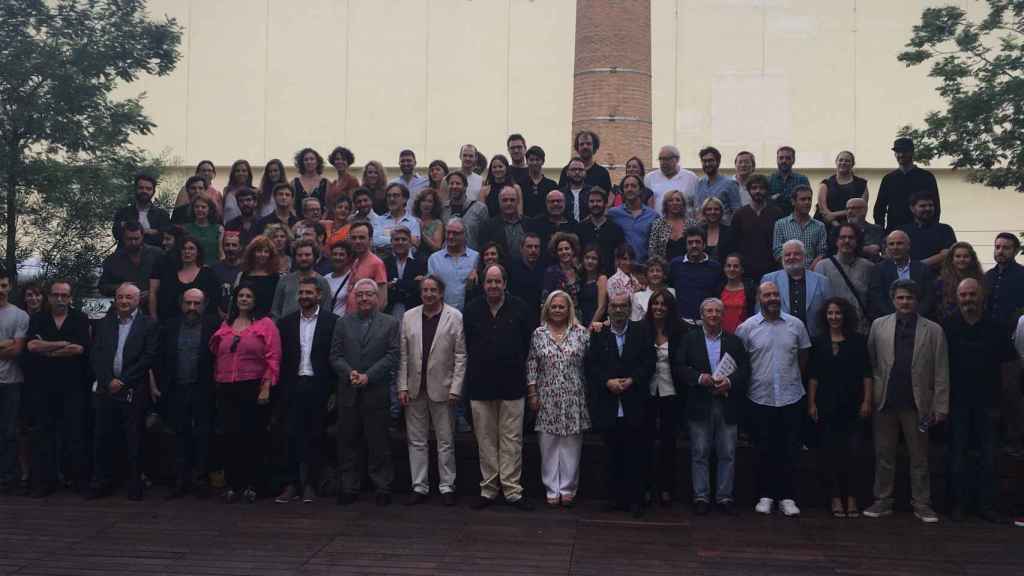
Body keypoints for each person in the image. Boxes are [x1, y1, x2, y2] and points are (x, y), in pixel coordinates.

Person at [864, 278, 948, 523]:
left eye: (909, 298)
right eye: (900, 297)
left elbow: (941, 370)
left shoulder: (933, 330)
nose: (905, 302)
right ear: (893, 300)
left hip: (918, 402)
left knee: (919, 457)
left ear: (917, 301)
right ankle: (882, 501)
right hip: (885, 401)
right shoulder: (879, 326)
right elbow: (870, 363)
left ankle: (922, 504)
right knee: (884, 455)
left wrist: (940, 406)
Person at [464, 264, 536, 510]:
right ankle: (489, 490)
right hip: (480, 384)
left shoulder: (521, 309)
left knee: (511, 440)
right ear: (483, 284)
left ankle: (512, 490)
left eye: (497, 281)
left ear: (505, 283)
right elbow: (467, 345)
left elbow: (528, 345)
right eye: (489, 281)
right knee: (485, 439)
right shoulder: (472, 309)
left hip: (512, 383)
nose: (493, 286)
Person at [736, 281, 811, 517]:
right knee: (763, 449)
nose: (772, 298)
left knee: (789, 449)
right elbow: (742, 362)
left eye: (775, 294)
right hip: (760, 397)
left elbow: (803, 357)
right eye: (767, 295)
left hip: (791, 396)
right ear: (759, 298)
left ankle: (788, 497)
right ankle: (765, 495)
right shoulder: (746, 328)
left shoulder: (796, 325)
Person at [943, 278, 1015, 523]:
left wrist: (1004, 402)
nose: (968, 300)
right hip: (956, 402)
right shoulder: (948, 326)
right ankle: (958, 505)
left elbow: (1008, 367)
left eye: (972, 295)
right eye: (964, 295)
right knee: (957, 455)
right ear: (957, 297)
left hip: (989, 402)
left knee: (988, 456)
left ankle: (986, 506)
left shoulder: (997, 327)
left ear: (981, 296)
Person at [676, 297, 751, 516]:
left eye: (717, 311)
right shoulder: (690, 339)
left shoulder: (734, 341)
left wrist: (729, 382)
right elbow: (679, 366)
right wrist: (700, 378)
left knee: (727, 452)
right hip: (699, 402)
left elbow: (745, 369)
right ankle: (701, 495)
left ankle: (724, 496)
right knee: (700, 451)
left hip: (727, 402)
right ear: (701, 315)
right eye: (708, 311)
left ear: (723, 315)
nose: (713, 315)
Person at [330, 278, 400, 507]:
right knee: (347, 442)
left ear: (378, 297)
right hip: (348, 391)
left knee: (379, 442)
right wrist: (350, 373)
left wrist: (369, 376)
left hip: (376, 390)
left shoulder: (390, 323)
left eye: (369, 294)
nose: (364, 298)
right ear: (354, 297)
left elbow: (392, 355)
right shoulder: (343, 323)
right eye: (360, 295)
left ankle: (382, 486)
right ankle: (349, 486)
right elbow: (335, 355)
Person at [210, 283, 281, 504]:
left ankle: (254, 484)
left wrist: (267, 385)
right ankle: (234, 484)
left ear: (255, 300)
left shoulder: (265, 324)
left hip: (253, 386)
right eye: (240, 295)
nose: (244, 299)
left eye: (248, 296)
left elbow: (273, 357)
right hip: (227, 386)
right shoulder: (227, 323)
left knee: (253, 436)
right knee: (230, 436)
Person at [87, 283, 159, 500]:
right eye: (120, 297)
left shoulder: (149, 325)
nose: (124, 301)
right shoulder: (104, 323)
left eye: (129, 297)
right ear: (115, 300)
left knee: (133, 437)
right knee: (103, 436)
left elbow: (149, 357)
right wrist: (108, 380)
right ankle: (103, 482)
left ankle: (134, 482)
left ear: (138, 300)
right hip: (106, 389)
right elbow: (96, 354)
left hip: (133, 389)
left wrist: (124, 381)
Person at [398, 276, 466, 506]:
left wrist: (456, 387)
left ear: (441, 292)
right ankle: (419, 486)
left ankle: (447, 486)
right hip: (415, 388)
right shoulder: (408, 316)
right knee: (416, 440)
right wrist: (402, 386)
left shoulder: (454, 316)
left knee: (445, 440)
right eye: (425, 290)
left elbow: (460, 355)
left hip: (444, 388)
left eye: (433, 290)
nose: (429, 294)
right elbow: (404, 355)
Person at [589, 289, 656, 517]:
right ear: (608, 309)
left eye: (622, 306)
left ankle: (634, 499)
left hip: (634, 401)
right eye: (614, 306)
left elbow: (649, 362)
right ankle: (614, 498)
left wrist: (632, 380)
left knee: (635, 454)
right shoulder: (599, 333)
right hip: (608, 402)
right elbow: (592, 366)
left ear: (629, 309)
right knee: (611, 454)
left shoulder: (642, 331)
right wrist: (607, 381)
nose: (618, 309)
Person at [273, 277, 338, 504]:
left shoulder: (332, 322)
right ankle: (291, 484)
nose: (304, 297)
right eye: (301, 293)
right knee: (289, 435)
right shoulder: (286, 322)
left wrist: (333, 390)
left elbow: (334, 357)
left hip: (319, 385)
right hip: (292, 384)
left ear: (318, 295)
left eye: (309, 293)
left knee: (315, 436)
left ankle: (311, 484)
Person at [806, 297, 872, 518]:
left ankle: (852, 498)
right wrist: (812, 403)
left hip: (853, 406)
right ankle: (834, 498)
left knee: (853, 453)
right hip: (826, 405)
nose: (834, 317)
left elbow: (867, 374)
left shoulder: (858, 341)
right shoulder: (818, 342)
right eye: (830, 313)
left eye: (838, 313)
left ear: (845, 316)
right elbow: (813, 376)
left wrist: (866, 401)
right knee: (829, 453)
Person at [23, 280, 88, 497]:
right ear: (49, 297)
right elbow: (32, 346)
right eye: (55, 295)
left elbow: (79, 348)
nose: (59, 299)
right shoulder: (39, 318)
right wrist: (62, 344)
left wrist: (48, 348)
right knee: (44, 435)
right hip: (44, 386)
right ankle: (46, 482)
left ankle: (77, 480)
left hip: (73, 386)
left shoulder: (80, 318)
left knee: (75, 434)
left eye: (64, 295)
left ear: (70, 298)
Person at [527, 291, 591, 507]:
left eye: (561, 306)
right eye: (553, 306)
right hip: (547, 396)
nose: (557, 310)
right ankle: (551, 488)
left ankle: (568, 488)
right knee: (548, 445)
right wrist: (532, 392)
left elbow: (590, 364)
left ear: (569, 308)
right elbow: (532, 364)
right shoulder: (538, 333)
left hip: (574, 395)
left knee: (572, 445)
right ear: (547, 309)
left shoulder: (581, 333)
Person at [157, 288, 219, 499]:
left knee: (203, 435)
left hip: (204, 389)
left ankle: (200, 479)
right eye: (188, 303)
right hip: (176, 388)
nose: (192, 307)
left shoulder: (214, 326)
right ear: (181, 304)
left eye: (197, 303)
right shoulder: (169, 326)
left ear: (205, 305)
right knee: (178, 435)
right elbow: (159, 359)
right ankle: (179, 479)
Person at [642, 289, 684, 507]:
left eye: (663, 304)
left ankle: (667, 487)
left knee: (669, 441)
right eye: (655, 303)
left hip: (671, 391)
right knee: (645, 441)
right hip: (648, 391)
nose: (658, 307)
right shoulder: (641, 328)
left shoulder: (680, 330)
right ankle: (647, 487)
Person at [984, 232, 1024, 456]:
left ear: (1015, 251)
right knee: (991, 392)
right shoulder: (988, 277)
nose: (1000, 251)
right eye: (997, 246)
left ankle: (1014, 440)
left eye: (1006, 247)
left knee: (1012, 393)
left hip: (1013, 342)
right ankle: (993, 439)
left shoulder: (1022, 276)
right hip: (990, 344)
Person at [761, 240, 832, 339]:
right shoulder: (769, 279)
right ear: (782, 258)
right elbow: (760, 312)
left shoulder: (822, 281)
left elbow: (830, 311)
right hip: (779, 339)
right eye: (787, 254)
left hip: (815, 339)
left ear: (804, 256)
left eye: (796, 254)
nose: (791, 257)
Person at [814, 223, 874, 332]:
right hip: (832, 328)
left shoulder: (868, 267)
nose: (847, 241)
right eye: (842, 237)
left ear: (857, 241)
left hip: (860, 329)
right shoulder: (822, 266)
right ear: (836, 241)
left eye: (851, 237)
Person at [149, 236, 222, 323]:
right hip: (170, 325)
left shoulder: (209, 275)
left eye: (191, 249)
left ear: (198, 252)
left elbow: (213, 303)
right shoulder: (169, 275)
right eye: (184, 249)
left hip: (201, 325)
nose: (187, 252)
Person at [873, 137, 940, 232]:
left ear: (912, 153)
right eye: (897, 152)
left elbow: (935, 206)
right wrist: (881, 232)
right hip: (894, 231)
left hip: (921, 231)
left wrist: (932, 229)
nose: (901, 155)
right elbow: (879, 208)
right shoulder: (889, 178)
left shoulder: (926, 177)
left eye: (904, 151)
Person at [866, 230, 935, 321]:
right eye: (891, 244)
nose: (895, 247)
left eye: (899, 243)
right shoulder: (878, 270)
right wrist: (896, 317)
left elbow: (928, 297)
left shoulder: (923, 269)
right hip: (889, 322)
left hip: (919, 321)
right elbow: (878, 298)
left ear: (908, 246)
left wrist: (915, 316)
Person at [731, 174, 783, 282]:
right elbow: (734, 244)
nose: (758, 191)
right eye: (754, 188)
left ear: (767, 190)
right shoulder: (739, 214)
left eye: (761, 188)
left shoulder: (777, 213)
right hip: (746, 272)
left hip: (771, 269)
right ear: (748, 190)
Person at [669, 227, 722, 324]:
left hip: (706, 323)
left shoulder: (715, 267)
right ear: (685, 245)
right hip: (681, 323)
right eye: (690, 242)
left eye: (698, 242)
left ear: (704, 244)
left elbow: (717, 296)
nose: (694, 245)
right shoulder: (675, 265)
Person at [99, 221, 163, 298]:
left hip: (155, 304)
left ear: (142, 237)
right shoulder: (113, 259)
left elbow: (169, 281)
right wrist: (121, 287)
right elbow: (102, 287)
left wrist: (152, 292)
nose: (133, 242)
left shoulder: (158, 254)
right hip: (125, 305)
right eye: (129, 239)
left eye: (136, 239)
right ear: (123, 238)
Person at [271, 239, 331, 319]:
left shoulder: (322, 282)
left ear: (315, 256)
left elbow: (326, 311)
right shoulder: (284, 280)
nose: (303, 258)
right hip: (286, 328)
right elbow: (275, 310)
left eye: (307, 255)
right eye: (299, 255)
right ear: (295, 257)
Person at [428, 218, 479, 312]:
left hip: (468, 314)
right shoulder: (434, 259)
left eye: (455, 233)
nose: (451, 236)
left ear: (464, 235)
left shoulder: (475, 257)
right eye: (448, 232)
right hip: (441, 314)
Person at [608, 174, 659, 263]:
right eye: (626, 186)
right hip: (622, 268)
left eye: (633, 186)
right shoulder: (613, 213)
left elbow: (656, 246)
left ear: (640, 190)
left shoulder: (653, 215)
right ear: (622, 191)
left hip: (644, 268)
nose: (629, 189)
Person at [772, 185, 828, 267]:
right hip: (788, 271)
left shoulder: (819, 226)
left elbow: (822, 252)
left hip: (812, 273)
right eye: (803, 199)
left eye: (809, 199)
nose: (807, 202)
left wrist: (810, 271)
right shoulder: (780, 225)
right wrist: (792, 268)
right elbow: (777, 251)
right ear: (793, 202)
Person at [899, 191, 956, 270]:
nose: (928, 208)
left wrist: (917, 266)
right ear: (912, 208)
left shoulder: (945, 230)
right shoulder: (902, 231)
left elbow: (947, 254)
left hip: (937, 278)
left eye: (931, 205)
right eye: (923, 206)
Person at [576, 187, 625, 277]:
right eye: (592, 201)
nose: (595, 204)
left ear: (605, 203)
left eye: (598, 201)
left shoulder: (615, 229)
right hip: (584, 278)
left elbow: (619, 257)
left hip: (609, 277)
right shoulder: (579, 228)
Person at [816, 151, 868, 232]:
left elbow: (861, 209)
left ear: (853, 164)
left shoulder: (862, 185)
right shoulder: (825, 184)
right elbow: (823, 211)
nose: (843, 163)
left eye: (847, 161)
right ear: (836, 162)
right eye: (841, 160)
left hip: (852, 229)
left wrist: (834, 215)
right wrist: (837, 225)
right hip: (826, 228)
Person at [113, 173, 170, 247]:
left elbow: (164, 238)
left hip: (154, 256)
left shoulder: (162, 215)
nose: (144, 191)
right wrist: (152, 231)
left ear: (153, 191)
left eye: (148, 189)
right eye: (141, 188)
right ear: (135, 189)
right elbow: (117, 234)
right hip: (126, 255)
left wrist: (128, 228)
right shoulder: (123, 212)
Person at [383, 226, 427, 320]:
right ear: (391, 242)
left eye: (404, 239)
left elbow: (418, 287)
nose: (400, 242)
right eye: (396, 239)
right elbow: (384, 288)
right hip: (390, 310)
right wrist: (409, 283)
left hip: (415, 310)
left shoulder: (421, 261)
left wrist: (396, 283)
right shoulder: (385, 262)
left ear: (410, 242)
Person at [344, 221, 388, 313]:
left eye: (362, 237)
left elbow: (382, 301)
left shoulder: (376, 263)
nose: (357, 241)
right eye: (354, 238)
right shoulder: (355, 262)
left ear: (370, 240)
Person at [526, 190, 579, 265]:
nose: (555, 204)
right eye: (552, 201)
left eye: (559, 201)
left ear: (565, 203)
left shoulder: (573, 224)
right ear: (546, 204)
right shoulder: (536, 223)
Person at [934, 241, 984, 321]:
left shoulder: (980, 280)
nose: (962, 259)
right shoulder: (941, 282)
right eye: (958, 256)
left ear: (972, 259)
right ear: (952, 259)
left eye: (966, 256)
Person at [235, 235, 282, 319]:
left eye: (266, 251)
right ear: (252, 253)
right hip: (246, 321)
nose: (262, 254)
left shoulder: (276, 277)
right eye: (259, 251)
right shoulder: (242, 275)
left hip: (268, 322)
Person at [478, 186, 527, 264]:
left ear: (518, 202)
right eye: (505, 200)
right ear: (499, 202)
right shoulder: (488, 227)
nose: (509, 203)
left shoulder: (529, 224)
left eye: (512, 200)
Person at [442, 171, 489, 251]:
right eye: (451, 183)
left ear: (465, 186)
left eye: (458, 183)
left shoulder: (480, 208)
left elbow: (486, 237)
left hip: (472, 258)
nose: (454, 186)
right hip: (447, 258)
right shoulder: (442, 209)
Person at [645, 145, 698, 215]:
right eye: (660, 159)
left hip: (685, 224)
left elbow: (696, 204)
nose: (663, 162)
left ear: (677, 159)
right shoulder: (649, 178)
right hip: (657, 223)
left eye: (666, 159)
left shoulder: (691, 178)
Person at [372, 182, 421, 258]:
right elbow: (375, 241)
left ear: (405, 199)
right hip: (383, 263)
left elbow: (415, 246)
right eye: (389, 196)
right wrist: (404, 239)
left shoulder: (413, 222)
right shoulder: (379, 220)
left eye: (396, 195)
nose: (391, 199)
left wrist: (387, 239)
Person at [695, 146, 742, 224]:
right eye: (704, 161)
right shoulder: (700, 183)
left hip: (724, 231)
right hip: (703, 231)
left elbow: (737, 211)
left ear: (718, 162)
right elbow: (697, 209)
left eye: (710, 161)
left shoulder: (730, 184)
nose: (707, 164)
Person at [649, 190, 695, 263]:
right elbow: (653, 250)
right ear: (665, 204)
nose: (675, 203)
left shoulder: (691, 223)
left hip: (688, 267)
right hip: (665, 269)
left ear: (683, 204)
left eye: (678, 200)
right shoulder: (658, 224)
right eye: (670, 200)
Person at [542, 232, 583, 315]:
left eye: (567, 248)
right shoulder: (551, 272)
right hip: (558, 317)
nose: (564, 252)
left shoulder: (580, 271)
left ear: (573, 251)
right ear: (556, 253)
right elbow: (545, 301)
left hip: (578, 317)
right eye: (560, 250)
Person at [717, 254, 756, 333]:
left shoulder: (750, 289)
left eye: (736, 266)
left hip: (744, 334)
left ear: (742, 269)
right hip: (722, 336)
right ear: (724, 268)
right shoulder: (718, 289)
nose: (732, 269)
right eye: (728, 266)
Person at [767, 146, 810, 217]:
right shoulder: (769, 180)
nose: (784, 161)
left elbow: (806, 202)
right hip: (772, 221)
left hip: (796, 222)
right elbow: (764, 203)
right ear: (777, 160)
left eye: (788, 158)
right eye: (781, 158)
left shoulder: (802, 180)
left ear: (793, 160)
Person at [508, 233, 545, 314]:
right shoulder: (511, 269)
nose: (533, 250)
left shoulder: (545, 270)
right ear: (521, 248)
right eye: (529, 246)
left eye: (536, 247)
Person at [480, 154, 523, 219]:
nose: (497, 169)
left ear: (506, 168)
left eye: (500, 166)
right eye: (494, 167)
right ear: (491, 170)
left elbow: (520, 213)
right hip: (491, 226)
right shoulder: (484, 190)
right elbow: (482, 215)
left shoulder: (516, 188)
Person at [631, 256, 674, 321]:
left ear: (664, 275)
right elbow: (635, 321)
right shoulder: (638, 296)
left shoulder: (672, 292)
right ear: (646, 275)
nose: (655, 274)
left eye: (658, 271)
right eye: (651, 271)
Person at [184, 194, 224, 263]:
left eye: (203, 207)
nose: (200, 209)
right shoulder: (185, 229)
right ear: (193, 209)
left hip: (213, 268)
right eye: (196, 207)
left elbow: (221, 253)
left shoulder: (219, 229)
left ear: (210, 209)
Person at [521, 145, 558, 218]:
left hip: (547, 225)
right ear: (527, 162)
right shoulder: (520, 184)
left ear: (543, 161)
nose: (534, 163)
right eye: (531, 160)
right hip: (526, 226)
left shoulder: (552, 185)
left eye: (537, 159)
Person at [578, 244, 608, 330]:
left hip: (596, 326)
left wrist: (589, 329)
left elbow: (601, 307)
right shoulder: (581, 280)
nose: (590, 261)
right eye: (587, 258)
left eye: (594, 258)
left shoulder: (602, 279)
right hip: (581, 324)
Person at [292, 148, 329, 214]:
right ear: (302, 163)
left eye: (312, 159)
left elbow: (328, 207)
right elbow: (291, 207)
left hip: (320, 222)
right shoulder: (294, 183)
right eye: (306, 160)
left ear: (317, 162)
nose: (309, 162)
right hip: (299, 222)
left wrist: (322, 222)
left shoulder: (326, 183)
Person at [700, 197, 735, 264]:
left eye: (716, 209)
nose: (713, 212)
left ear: (721, 212)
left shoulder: (729, 232)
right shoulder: (698, 231)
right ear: (704, 212)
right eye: (709, 209)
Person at [326, 146, 359, 216]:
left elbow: (353, 206)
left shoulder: (352, 180)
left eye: (343, 159)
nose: (340, 161)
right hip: (332, 219)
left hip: (344, 219)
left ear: (348, 162)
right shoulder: (333, 184)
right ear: (333, 162)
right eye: (337, 159)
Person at [324, 241, 353, 318]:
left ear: (348, 258)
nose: (337, 257)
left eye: (341, 255)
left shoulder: (353, 278)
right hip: (327, 321)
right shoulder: (326, 278)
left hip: (343, 323)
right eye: (334, 254)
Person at [559, 157, 591, 223]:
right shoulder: (560, 194)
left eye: (580, 169)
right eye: (573, 169)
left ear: (585, 173)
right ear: (567, 173)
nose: (577, 172)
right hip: (565, 231)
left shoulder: (592, 192)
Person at [413, 188, 445, 256]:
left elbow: (437, 247)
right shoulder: (412, 220)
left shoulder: (437, 223)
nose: (426, 204)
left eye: (430, 201)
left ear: (434, 204)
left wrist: (422, 234)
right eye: (423, 201)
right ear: (419, 203)